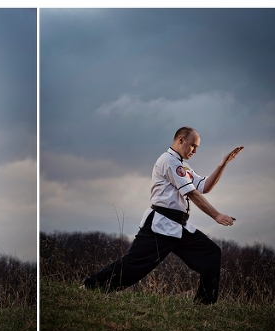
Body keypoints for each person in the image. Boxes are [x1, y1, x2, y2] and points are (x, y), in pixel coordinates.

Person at [84, 127, 244, 304]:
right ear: (181, 140)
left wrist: (223, 164)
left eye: (197, 147)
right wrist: (216, 215)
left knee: (211, 254)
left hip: (179, 226)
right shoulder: (169, 161)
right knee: (134, 265)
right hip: (160, 224)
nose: (195, 151)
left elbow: (204, 186)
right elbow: (191, 192)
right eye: (193, 146)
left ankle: (204, 304)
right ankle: (90, 286)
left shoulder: (183, 165)